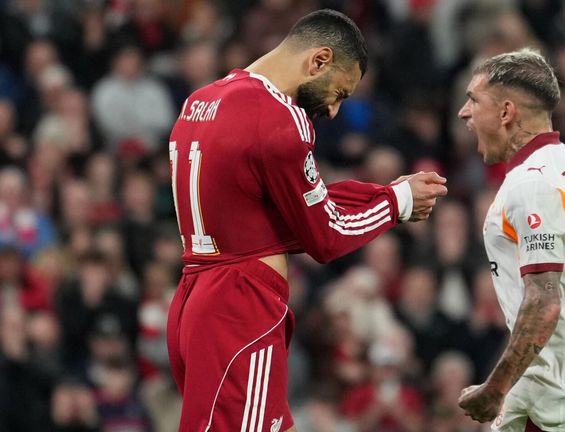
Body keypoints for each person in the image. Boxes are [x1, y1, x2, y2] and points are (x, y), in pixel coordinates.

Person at [164, 9, 447, 432]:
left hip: (195, 300)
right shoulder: (280, 117)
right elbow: (325, 235)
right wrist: (397, 203)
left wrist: (387, 192)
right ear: (319, 60)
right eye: (340, 92)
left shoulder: (201, 101)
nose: (332, 111)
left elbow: (281, 213)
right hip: (240, 309)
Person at [456, 48, 565, 431]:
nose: (464, 112)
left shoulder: (532, 183)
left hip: (560, 402)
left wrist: (495, 387)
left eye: (473, 100)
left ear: (506, 113)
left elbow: (544, 302)